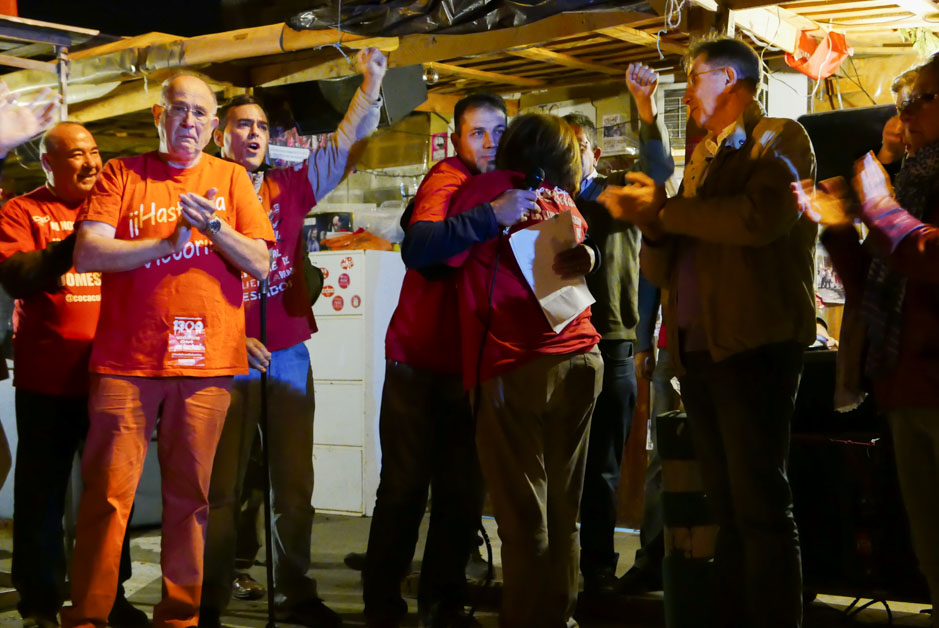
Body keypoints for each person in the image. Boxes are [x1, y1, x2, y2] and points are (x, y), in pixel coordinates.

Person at [600, 36, 817, 628]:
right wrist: (651, 222)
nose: (688, 91)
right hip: (698, 349)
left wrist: (666, 213)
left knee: (760, 505)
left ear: (730, 80)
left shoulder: (779, 138)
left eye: (694, 78)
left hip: (755, 344)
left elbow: (758, 218)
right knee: (725, 506)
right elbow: (665, 260)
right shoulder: (701, 156)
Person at [60, 74, 275, 628]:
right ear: (160, 114)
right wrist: (168, 243)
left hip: (208, 365)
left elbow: (260, 261)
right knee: (107, 498)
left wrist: (214, 227)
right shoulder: (123, 172)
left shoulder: (230, 178)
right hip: (126, 364)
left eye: (202, 113)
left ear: (212, 123)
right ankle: (88, 616)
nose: (191, 122)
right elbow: (88, 252)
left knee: (191, 498)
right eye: (180, 110)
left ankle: (178, 618)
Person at [200, 46, 387, 628]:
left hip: (285, 350)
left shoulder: (290, 185)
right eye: (241, 125)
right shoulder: (201, 193)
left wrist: (372, 82)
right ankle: (212, 596)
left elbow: (340, 143)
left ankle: (295, 589)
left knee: (294, 484)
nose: (252, 134)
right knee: (222, 486)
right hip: (223, 357)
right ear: (219, 136)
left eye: (260, 126)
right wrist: (231, 334)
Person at [364, 92, 534, 628]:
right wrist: (490, 215)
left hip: (468, 366)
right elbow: (419, 246)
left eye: (497, 131)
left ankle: (443, 606)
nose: (488, 143)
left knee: (461, 493)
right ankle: (383, 609)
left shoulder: (508, 183)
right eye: (477, 133)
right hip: (417, 361)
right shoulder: (448, 179)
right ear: (457, 139)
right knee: (405, 490)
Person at [798, 53, 939, 627]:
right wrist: (834, 223)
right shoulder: (912, 182)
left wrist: (878, 206)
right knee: (931, 548)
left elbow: (929, 257)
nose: (902, 117)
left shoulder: (900, 195)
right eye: (901, 103)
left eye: (916, 101)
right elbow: (872, 285)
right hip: (904, 383)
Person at [446, 112, 602, 628]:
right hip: (583, 358)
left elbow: (432, 255)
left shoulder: (484, 191)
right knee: (563, 510)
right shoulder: (563, 200)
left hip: (516, 363)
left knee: (522, 516)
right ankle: (561, 618)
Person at [0, 123, 150, 628]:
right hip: (47, 379)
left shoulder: (118, 209)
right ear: (48, 163)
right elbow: (19, 277)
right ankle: (40, 602)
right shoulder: (22, 210)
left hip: (112, 375)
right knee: (41, 493)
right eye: (76, 155)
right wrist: (79, 241)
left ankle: (108, 595)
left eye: (95, 152)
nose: (91, 163)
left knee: (111, 492)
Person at [562, 61, 674, 596]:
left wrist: (646, 106)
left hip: (613, 346)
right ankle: (550, 566)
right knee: (555, 465)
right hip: (553, 347)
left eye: (575, 148)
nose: (567, 158)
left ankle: (599, 569)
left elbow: (658, 168)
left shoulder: (611, 197)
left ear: (593, 154)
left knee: (603, 467)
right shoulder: (542, 205)